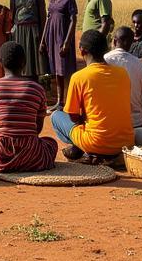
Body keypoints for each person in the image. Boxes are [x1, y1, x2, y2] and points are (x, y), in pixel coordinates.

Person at [0, 41, 57, 173]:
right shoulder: (37, 89)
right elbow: (38, 128)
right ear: (24, 63)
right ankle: (22, 162)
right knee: (51, 143)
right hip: (31, 155)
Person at [51, 30, 134, 162]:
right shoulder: (122, 73)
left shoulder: (79, 77)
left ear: (82, 51)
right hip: (125, 143)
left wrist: (83, 121)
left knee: (55, 116)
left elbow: (72, 115)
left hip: (95, 143)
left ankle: (81, 148)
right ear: (106, 49)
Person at [40, 0, 78, 111]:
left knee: (65, 69)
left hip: (62, 37)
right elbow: (48, 20)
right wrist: (43, 40)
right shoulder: (52, 0)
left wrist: (67, 41)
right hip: (51, 37)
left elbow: (74, 20)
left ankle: (70, 100)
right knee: (56, 70)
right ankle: (59, 101)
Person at [105, 26, 142, 127]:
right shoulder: (137, 62)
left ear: (114, 42)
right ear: (131, 44)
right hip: (137, 121)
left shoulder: (105, 59)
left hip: (112, 123)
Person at [10, 0, 47, 84]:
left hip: (33, 29)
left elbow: (42, 16)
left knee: (33, 58)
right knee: (19, 56)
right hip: (19, 30)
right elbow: (12, 15)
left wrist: (42, 36)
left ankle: (34, 84)